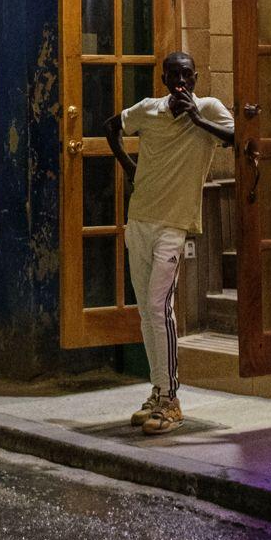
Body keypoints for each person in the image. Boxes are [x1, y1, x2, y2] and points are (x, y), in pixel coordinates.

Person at [104, 51, 235, 435]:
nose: (180, 84)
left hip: (173, 225)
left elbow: (240, 138)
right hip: (140, 219)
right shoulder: (149, 110)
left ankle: (172, 400)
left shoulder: (209, 110)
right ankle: (158, 389)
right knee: (146, 310)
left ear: (195, 78)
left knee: (161, 307)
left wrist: (194, 115)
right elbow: (112, 126)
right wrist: (131, 169)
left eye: (187, 77)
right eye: (173, 78)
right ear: (163, 80)